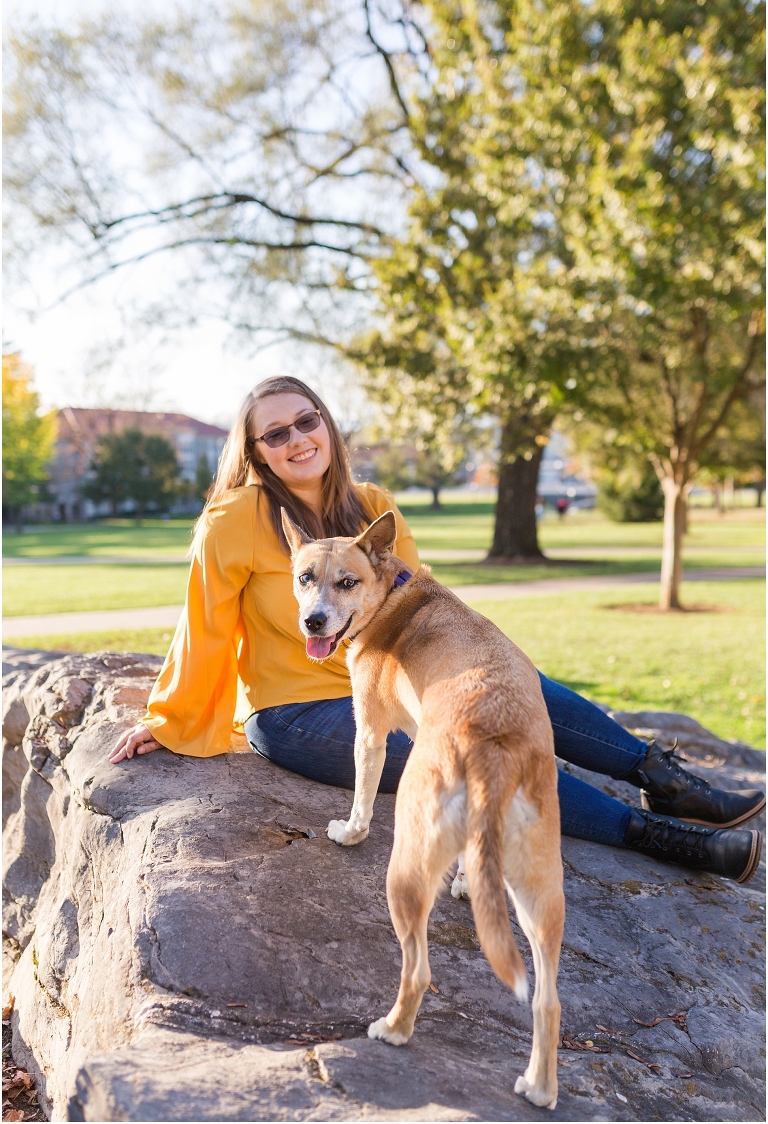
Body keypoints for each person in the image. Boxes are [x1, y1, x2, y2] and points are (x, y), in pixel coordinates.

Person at [111, 376, 765, 885]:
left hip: (399, 680)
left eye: (307, 421)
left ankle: (669, 780)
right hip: (300, 712)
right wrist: (169, 718)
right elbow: (203, 625)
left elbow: (419, 611)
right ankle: (665, 839)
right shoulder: (234, 519)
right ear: (255, 453)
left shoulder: (372, 506)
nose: (296, 439)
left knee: (516, 685)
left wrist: (477, 674)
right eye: (275, 434)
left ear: (328, 427)